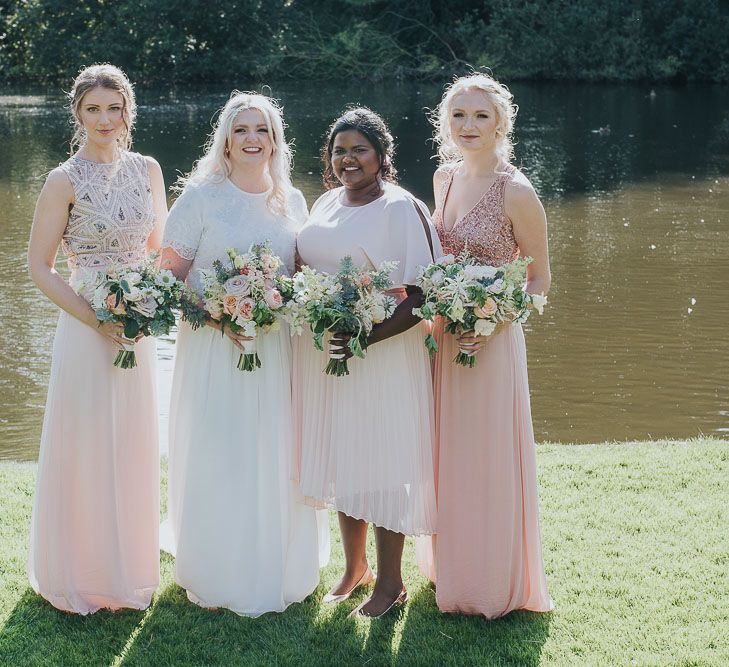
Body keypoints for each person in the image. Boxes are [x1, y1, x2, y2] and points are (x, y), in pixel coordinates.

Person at [159, 91, 326, 616]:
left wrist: (278, 305)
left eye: (263, 130)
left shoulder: (292, 201)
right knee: (223, 450)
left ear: (276, 140)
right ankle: (218, 567)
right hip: (215, 349)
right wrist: (219, 314)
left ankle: (279, 561)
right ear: (225, 141)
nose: (253, 139)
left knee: (275, 450)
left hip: (275, 348)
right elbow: (167, 283)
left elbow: (300, 278)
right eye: (241, 130)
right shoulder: (200, 199)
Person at [27, 64, 167, 614]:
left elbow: (162, 250)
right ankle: (79, 573)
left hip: (137, 324)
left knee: (132, 440)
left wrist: (149, 301)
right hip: (86, 325)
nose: (105, 120)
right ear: (77, 113)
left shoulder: (149, 169)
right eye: (93, 109)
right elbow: (38, 267)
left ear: (128, 112)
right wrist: (95, 317)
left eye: (114, 108)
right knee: (85, 441)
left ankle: (129, 570)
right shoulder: (62, 179)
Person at [416, 72, 554, 618]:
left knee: (487, 459)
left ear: (500, 122)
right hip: (444, 340)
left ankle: (493, 581)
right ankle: (451, 565)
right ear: (444, 123)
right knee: (447, 455)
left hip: (491, 343)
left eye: (479, 116)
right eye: (458, 116)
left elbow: (539, 277)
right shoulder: (443, 178)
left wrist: (496, 320)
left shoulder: (517, 190)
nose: (468, 126)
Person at [295, 107, 441, 618]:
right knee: (344, 459)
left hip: (380, 355)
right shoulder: (327, 201)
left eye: (359, 149)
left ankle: (392, 585)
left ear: (382, 155)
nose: (348, 159)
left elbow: (424, 294)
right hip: (329, 354)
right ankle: (355, 569)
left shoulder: (400, 208)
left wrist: (365, 335)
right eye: (339, 150)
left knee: (381, 466)